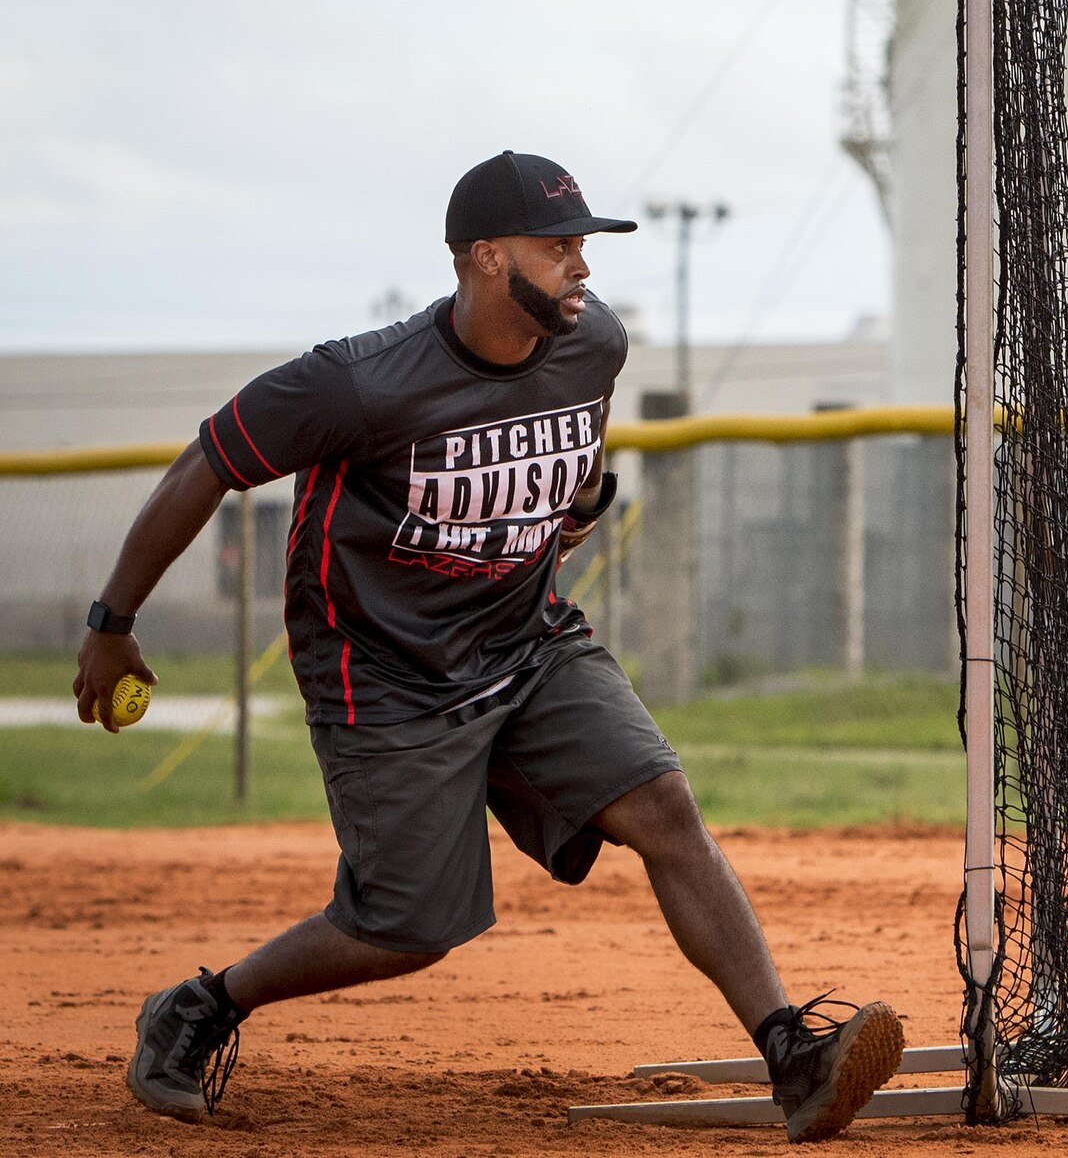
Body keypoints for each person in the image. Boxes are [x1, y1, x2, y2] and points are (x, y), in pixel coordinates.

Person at [73, 151, 904, 1141]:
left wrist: (583, 496)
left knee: (663, 804)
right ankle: (201, 1004)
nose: (580, 266)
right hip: (382, 668)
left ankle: (790, 1053)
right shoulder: (362, 381)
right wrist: (112, 624)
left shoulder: (592, 341)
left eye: (583, 245)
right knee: (408, 925)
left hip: (525, 634)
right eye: (558, 246)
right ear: (482, 257)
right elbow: (207, 461)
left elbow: (578, 445)